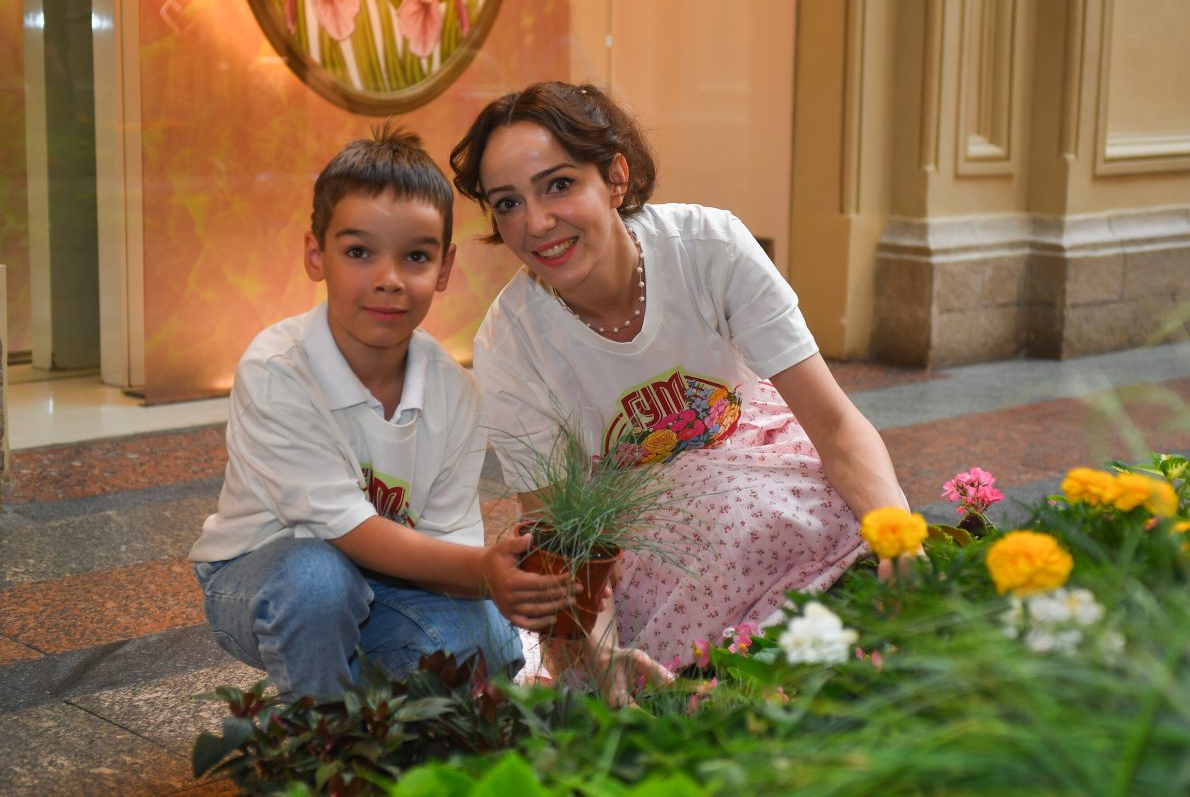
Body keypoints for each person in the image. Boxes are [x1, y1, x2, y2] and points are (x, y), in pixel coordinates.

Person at [449, 81, 914, 704]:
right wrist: (600, 647)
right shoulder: (512, 343)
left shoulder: (710, 248)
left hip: (769, 476)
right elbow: (563, 536)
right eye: (507, 203)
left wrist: (897, 535)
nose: (535, 224)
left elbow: (833, 425)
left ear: (615, 177)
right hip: (639, 547)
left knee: (847, 557)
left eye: (559, 185)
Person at [189, 125, 575, 703]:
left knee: (489, 643)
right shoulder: (278, 370)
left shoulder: (454, 391)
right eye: (358, 252)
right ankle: (318, 739)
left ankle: (365, 695)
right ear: (316, 254)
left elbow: (445, 544)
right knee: (320, 581)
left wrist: (493, 585)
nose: (388, 280)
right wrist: (484, 571)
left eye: (415, 256)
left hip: (389, 585)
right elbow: (344, 528)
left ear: (444, 269)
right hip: (264, 577)